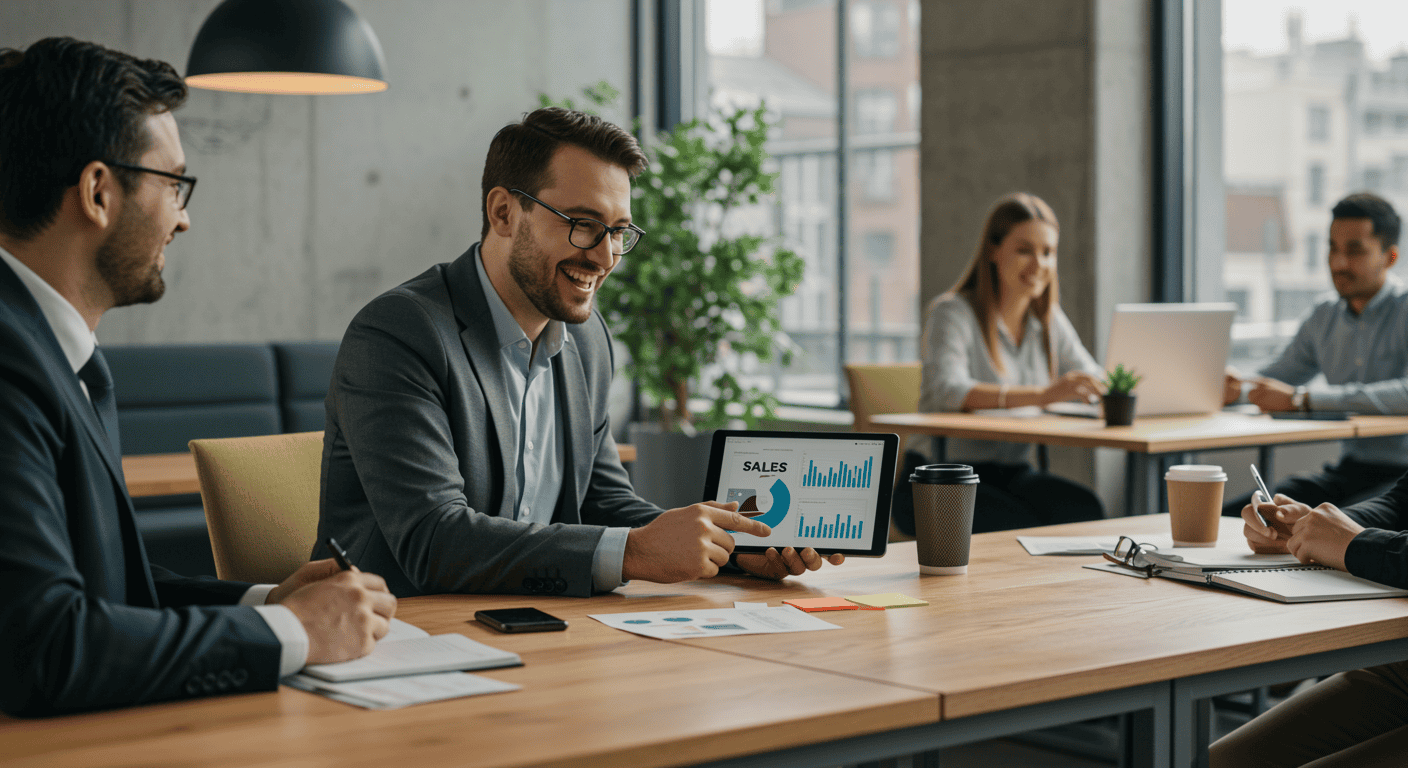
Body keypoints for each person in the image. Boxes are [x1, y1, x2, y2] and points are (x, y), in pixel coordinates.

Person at [0, 38, 396, 717]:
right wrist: (296, 633)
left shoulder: (54, 354)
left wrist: (269, 601)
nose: (184, 217)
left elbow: (107, 590)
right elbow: (48, 646)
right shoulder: (11, 364)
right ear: (98, 191)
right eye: (173, 183)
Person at [314, 107, 844, 597]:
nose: (606, 255)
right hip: (394, 635)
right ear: (503, 212)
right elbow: (433, 540)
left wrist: (729, 551)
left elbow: (603, 502)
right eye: (583, 225)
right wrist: (636, 553)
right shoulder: (400, 333)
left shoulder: (587, 341)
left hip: (540, 625)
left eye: (618, 231)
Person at [908, 192, 1106, 533]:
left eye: (1048, 252)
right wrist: (1043, 395)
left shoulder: (1047, 320)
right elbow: (949, 390)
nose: (1039, 264)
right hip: (942, 476)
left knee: (1084, 510)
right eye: (1024, 250)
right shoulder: (952, 311)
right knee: (1016, 527)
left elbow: (1092, 376)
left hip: (1011, 473)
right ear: (993, 251)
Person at [1222, 193, 1406, 516]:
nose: (1338, 263)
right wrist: (1240, 391)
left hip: (1402, 478)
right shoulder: (1324, 316)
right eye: (1333, 248)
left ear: (1390, 257)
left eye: (1354, 251)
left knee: (1319, 525)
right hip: (1350, 470)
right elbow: (1279, 378)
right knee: (1243, 513)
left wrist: (1303, 400)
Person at [1209, 486, 1408, 766]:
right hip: (1401, 667)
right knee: (1222, 761)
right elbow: (1401, 502)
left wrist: (1358, 543)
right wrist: (1313, 532)